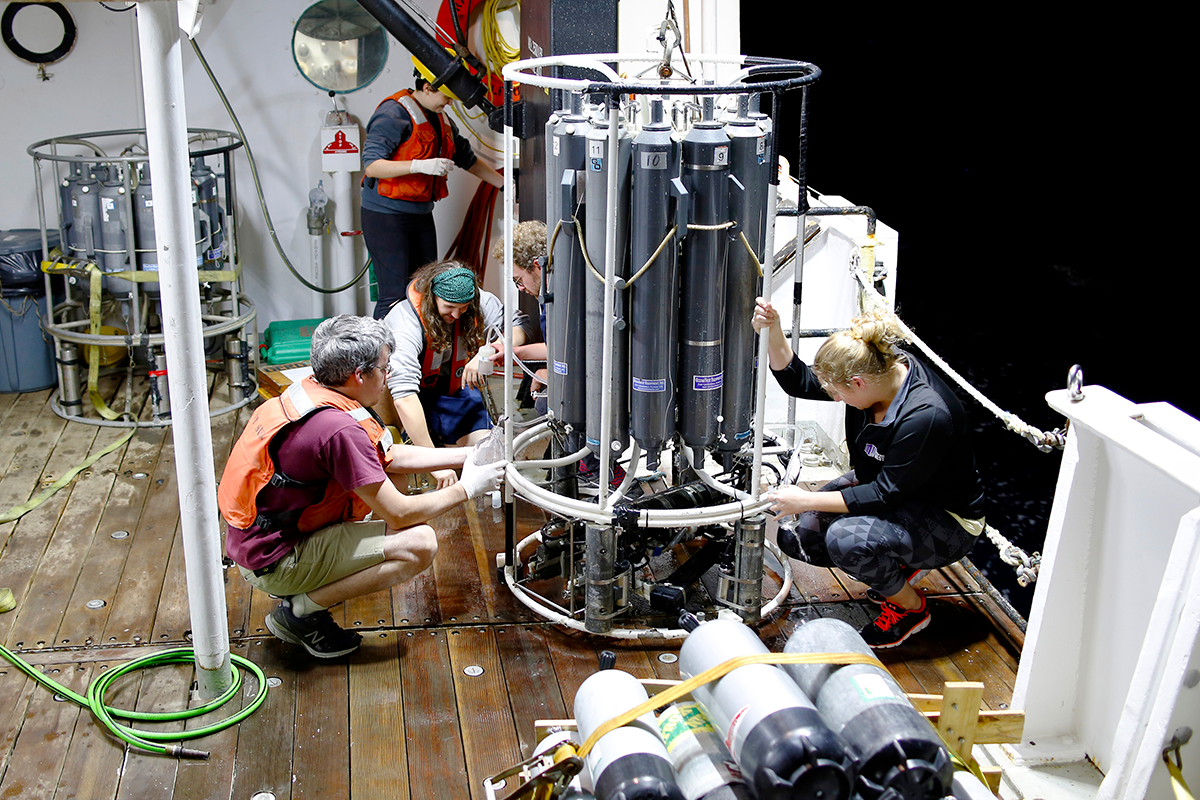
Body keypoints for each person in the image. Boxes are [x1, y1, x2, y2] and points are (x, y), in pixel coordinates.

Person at [218, 316, 506, 658]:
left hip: (260, 541)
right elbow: (400, 514)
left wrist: (469, 455)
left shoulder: (316, 392)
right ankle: (299, 613)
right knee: (419, 543)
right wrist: (469, 488)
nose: (389, 377)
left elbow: (389, 454)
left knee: (390, 484)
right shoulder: (337, 430)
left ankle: (306, 593)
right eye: (384, 369)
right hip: (275, 561)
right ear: (359, 375)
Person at [752, 299, 986, 648]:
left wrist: (805, 498)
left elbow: (885, 494)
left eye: (836, 393)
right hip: (897, 491)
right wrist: (772, 331)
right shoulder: (876, 373)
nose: (833, 397)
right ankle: (899, 568)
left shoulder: (925, 415)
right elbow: (799, 381)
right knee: (802, 537)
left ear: (858, 384)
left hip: (947, 518)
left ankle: (912, 608)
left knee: (845, 541)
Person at [361, 73, 503, 319]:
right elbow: (372, 166)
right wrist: (418, 166)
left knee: (426, 289)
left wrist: (504, 184)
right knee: (394, 296)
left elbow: (467, 159)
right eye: (446, 97)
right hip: (386, 216)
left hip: (420, 214)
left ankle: (423, 354)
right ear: (427, 88)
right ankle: (381, 355)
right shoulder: (393, 115)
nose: (449, 103)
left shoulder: (441, 119)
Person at [384, 260, 530, 489]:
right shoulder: (404, 323)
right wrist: (432, 464)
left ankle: (449, 445)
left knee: (487, 456)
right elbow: (403, 397)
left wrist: (488, 350)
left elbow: (520, 328)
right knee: (409, 461)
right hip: (412, 399)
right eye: (449, 307)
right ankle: (428, 446)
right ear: (432, 298)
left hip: (455, 391)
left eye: (463, 308)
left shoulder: (475, 302)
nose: (456, 314)